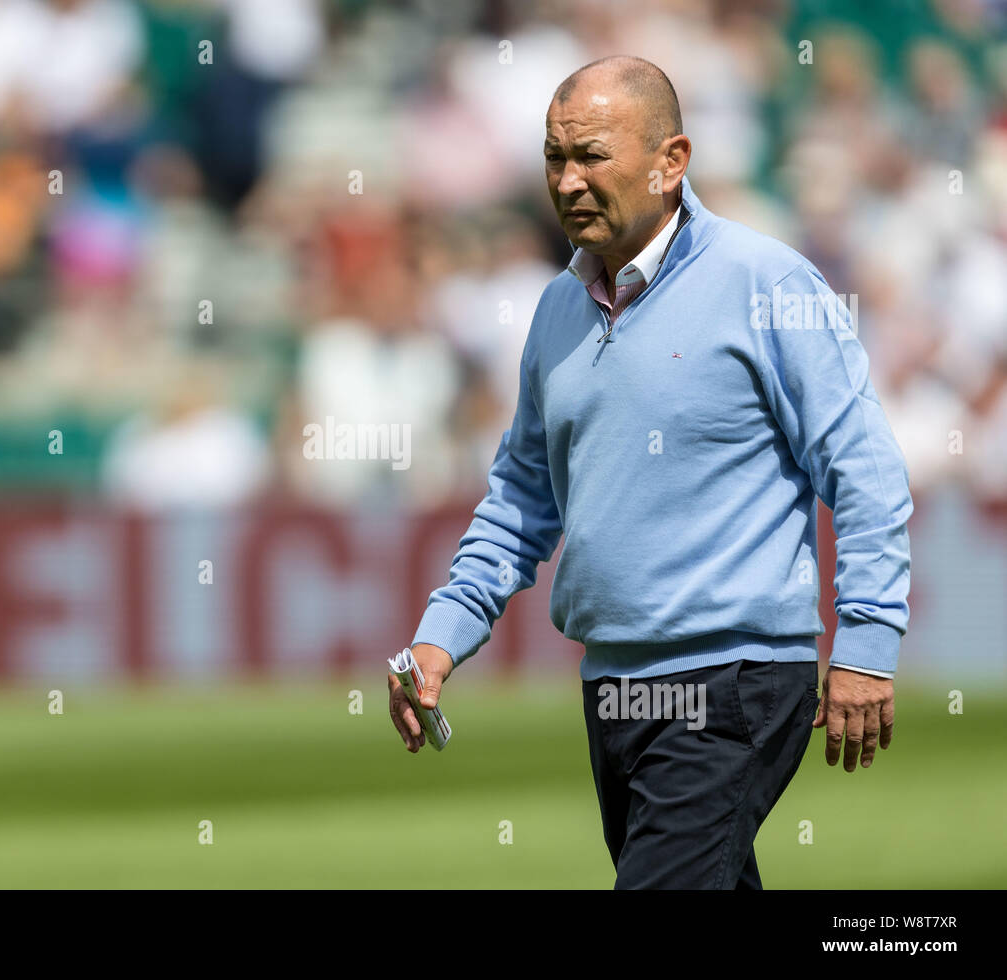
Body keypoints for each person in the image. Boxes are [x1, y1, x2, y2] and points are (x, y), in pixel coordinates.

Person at [388, 56, 913, 889]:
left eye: (591, 155)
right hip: (615, 687)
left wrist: (868, 644)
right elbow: (522, 498)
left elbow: (866, 472)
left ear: (672, 161)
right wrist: (440, 636)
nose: (567, 180)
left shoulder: (766, 282)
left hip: (733, 681)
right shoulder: (558, 306)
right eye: (554, 157)